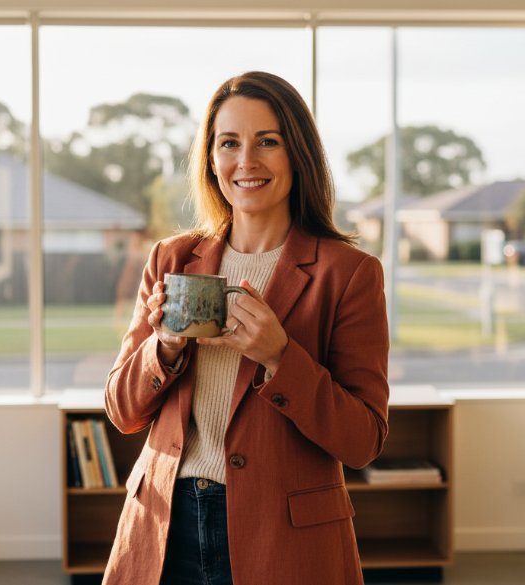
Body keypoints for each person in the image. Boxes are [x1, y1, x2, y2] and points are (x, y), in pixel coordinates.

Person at [102, 71, 390, 585]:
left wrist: (281, 358)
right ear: (211, 160)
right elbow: (122, 411)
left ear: (296, 154)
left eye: (268, 142)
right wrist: (163, 348)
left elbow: (363, 439)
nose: (246, 161)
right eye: (229, 142)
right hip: (165, 529)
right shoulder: (172, 259)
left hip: (285, 537)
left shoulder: (348, 273)